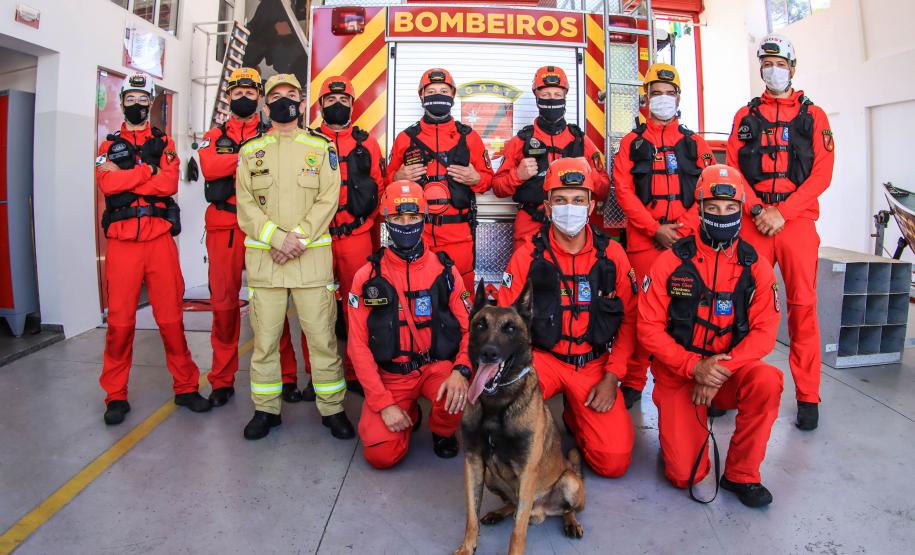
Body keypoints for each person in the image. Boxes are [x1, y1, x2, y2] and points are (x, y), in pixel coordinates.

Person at [638, 164, 783, 508]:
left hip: (730, 372)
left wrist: (718, 371)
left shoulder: (756, 265)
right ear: (699, 208)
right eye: (713, 208)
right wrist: (694, 367)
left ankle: (742, 474)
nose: (722, 215)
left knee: (767, 379)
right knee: (684, 476)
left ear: (741, 209)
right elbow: (647, 328)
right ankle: (682, 433)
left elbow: (764, 334)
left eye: (731, 208)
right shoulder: (670, 262)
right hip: (679, 374)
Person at [497, 157, 636, 478]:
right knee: (507, 428)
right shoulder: (527, 256)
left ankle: (577, 414)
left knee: (613, 462)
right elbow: (505, 322)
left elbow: (630, 321)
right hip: (542, 361)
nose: (569, 208)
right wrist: (508, 378)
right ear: (547, 207)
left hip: (593, 366)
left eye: (577, 200)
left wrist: (613, 376)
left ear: (590, 207)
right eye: (560, 200)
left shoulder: (612, 255)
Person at [234, 73, 354, 440]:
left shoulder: (321, 148)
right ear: (265, 105)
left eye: (291, 95)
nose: (283, 101)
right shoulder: (249, 151)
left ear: (302, 105)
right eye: (276, 96)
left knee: (322, 340)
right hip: (266, 263)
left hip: (309, 262)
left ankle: (332, 409)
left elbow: (328, 198)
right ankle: (266, 410)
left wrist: (296, 238)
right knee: (266, 342)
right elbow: (245, 203)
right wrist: (275, 238)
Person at [727, 34, 834, 430]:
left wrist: (782, 212)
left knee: (803, 307)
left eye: (780, 64)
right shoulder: (745, 116)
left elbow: (822, 174)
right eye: (767, 64)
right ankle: (730, 384)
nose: (773, 70)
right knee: (739, 303)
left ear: (792, 68)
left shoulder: (814, 116)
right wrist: (758, 209)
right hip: (755, 221)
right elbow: (735, 169)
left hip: (797, 223)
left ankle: (808, 395)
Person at [95, 72, 211, 425]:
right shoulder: (107, 146)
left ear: (151, 103)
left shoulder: (165, 143)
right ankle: (115, 395)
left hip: (160, 243)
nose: (136, 105)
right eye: (129, 99)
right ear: (122, 102)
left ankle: (186, 387)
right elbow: (108, 184)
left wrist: (133, 173)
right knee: (119, 324)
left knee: (171, 320)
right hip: (122, 246)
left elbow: (168, 183)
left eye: (142, 100)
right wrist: (148, 173)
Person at [196, 66, 306, 407]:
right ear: (228, 97)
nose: (243, 98)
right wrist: (251, 157)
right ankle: (222, 379)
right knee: (224, 306)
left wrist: (242, 159)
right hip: (224, 227)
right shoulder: (214, 135)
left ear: (260, 97)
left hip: (264, 229)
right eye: (237, 93)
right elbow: (210, 167)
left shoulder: (272, 131)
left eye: (250, 93)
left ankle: (287, 376)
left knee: (273, 305)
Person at [347, 181, 471, 469]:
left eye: (413, 217)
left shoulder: (446, 271)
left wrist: (461, 370)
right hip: (391, 378)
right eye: (397, 218)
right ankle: (407, 412)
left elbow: (469, 330)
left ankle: (442, 432)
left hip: (435, 368)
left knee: (454, 394)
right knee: (381, 455)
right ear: (386, 220)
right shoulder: (367, 277)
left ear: (424, 218)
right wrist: (384, 403)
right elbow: (357, 346)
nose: (406, 224)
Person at [613, 63, 715, 409]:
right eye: (656, 93)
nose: (663, 99)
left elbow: (707, 190)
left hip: (688, 243)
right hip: (644, 242)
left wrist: (681, 229)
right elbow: (623, 191)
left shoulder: (695, 144)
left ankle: (694, 373)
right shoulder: (631, 143)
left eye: (669, 94)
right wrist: (654, 228)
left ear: (679, 98)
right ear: (645, 98)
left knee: (690, 310)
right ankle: (634, 378)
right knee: (644, 312)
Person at [288, 76, 386, 398]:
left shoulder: (367, 142)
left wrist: (368, 231)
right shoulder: (305, 141)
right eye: (330, 101)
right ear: (320, 106)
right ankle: (316, 375)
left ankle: (355, 372)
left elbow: (379, 187)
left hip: (355, 237)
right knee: (313, 310)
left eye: (344, 100)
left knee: (355, 310)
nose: (337, 105)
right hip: (316, 241)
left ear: (352, 104)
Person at [386, 68, 494, 292]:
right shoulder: (406, 138)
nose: (438, 95)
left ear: (453, 96)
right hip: (416, 236)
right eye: (431, 91)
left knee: (462, 306)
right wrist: (397, 178)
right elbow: (386, 184)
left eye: (444, 91)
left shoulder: (469, 137)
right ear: (421, 96)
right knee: (418, 301)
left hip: (460, 238)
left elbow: (488, 181)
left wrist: (475, 178)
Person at [492, 66, 610, 249]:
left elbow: (604, 189)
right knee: (527, 276)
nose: (552, 100)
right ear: (536, 97)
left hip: (574, 230)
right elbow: (498, 187)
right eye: (546, 95)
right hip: (531, 226)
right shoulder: (521, 141)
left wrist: (589, 172)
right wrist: (518, 175)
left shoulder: (580, 140)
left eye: (557, 94)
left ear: (565, 96)